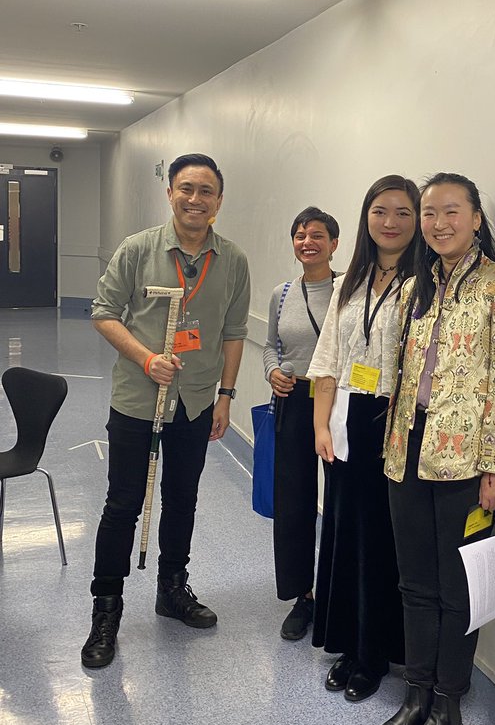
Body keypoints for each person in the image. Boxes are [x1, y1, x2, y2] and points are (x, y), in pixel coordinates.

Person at [368, 173, 495, 725]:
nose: (438, 223)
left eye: (450, 212)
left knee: (457, 586)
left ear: (477, 219)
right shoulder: (417, 286)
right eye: (429, 213)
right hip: (405, 451)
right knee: (414, 582)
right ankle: (415, 695)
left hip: (466, 462)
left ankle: (448, 708)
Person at [81, 153, 250, 669]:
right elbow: (103, 314)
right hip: (137, 398)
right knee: (123, 503)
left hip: (196, 402)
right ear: (170, 193)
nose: (195, 199)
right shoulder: (138, 251)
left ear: (219, 201)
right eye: (186, 189)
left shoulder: (234, 261)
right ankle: (105, 611)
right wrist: (147, 357)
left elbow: (234, 333)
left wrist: (226, 396)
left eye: (206, 191)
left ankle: (172, 589)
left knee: (183, 499)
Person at [307, 175, 419, 701]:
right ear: (365, 217)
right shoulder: (352, 278)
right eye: (379, 211)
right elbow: (329, 355)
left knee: (382, 542)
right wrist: (320, 425)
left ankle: (375, 654)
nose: (390, 222)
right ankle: (348, 643)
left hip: (395, 423)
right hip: (346, 418)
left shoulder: (424, 281)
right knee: (344, 534)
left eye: (401, 212)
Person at [264, 206, 339, 641]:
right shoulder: (283, 292)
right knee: (293, 500)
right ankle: (301, 594)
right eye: (299, 235)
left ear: (334, 243)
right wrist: (272, 371)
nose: (307, 241)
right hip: (293, 401)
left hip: (337, 405)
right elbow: (272, 345)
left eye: (317, 235)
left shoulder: (349, 289)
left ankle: (334, 589)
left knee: (341, 501)